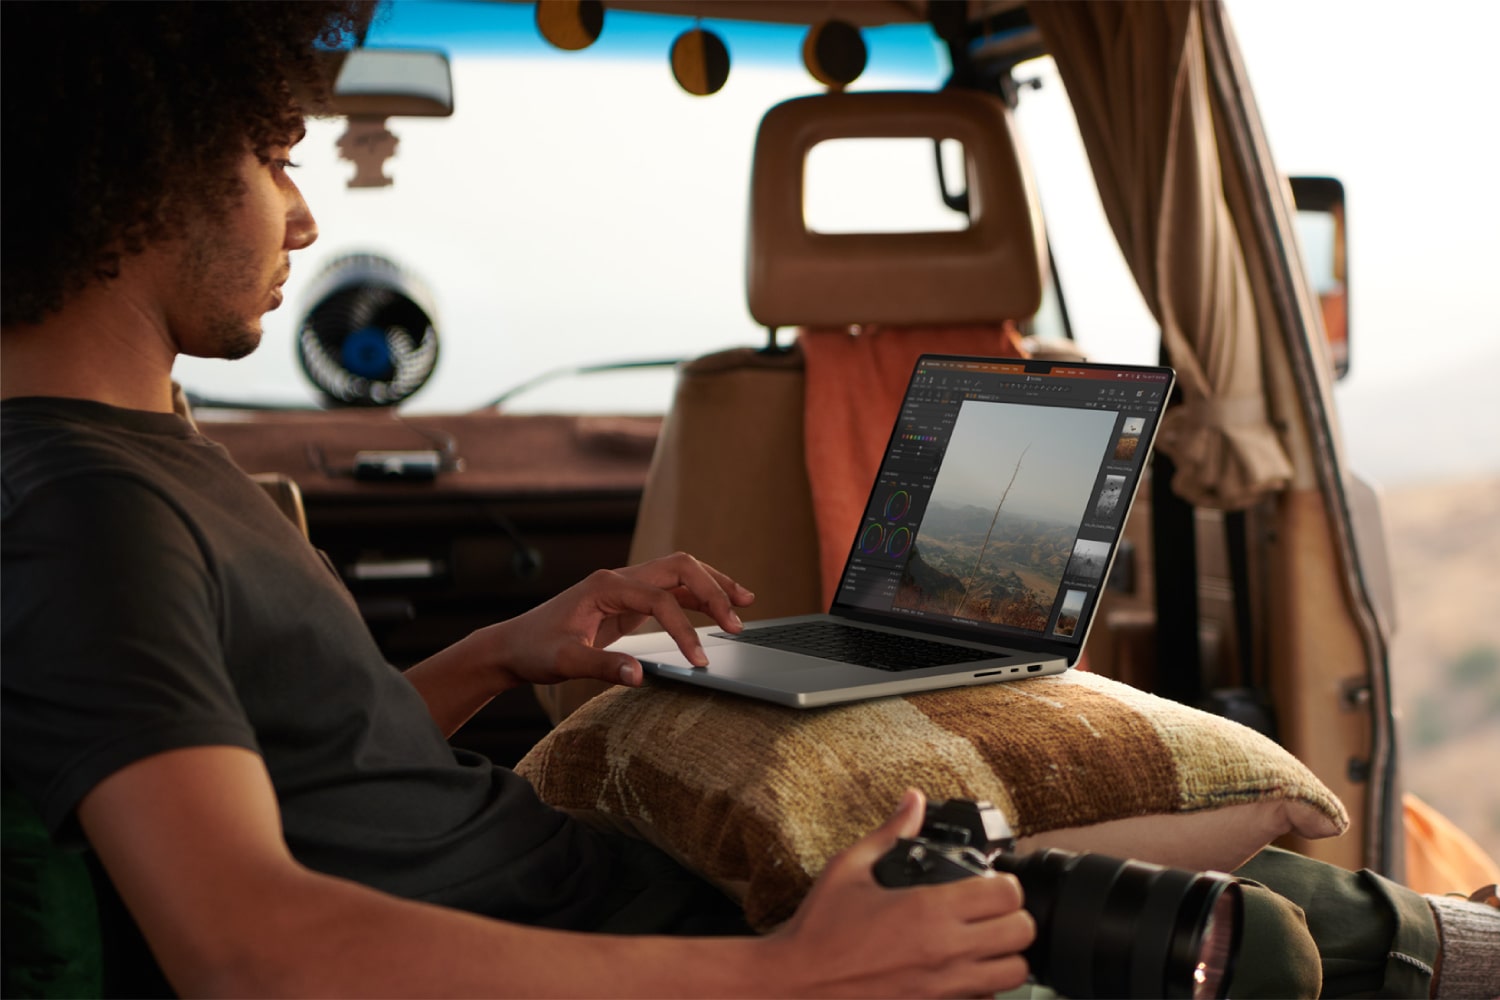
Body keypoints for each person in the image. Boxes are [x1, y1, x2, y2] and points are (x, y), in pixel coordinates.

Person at [2, 4, 1493, 999]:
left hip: (640, 908)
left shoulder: (142, 466)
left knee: (1264, 885)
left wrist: (500, 655)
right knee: (1263, 945)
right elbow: (248, 941)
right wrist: (784, 972)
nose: (308, 212)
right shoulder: (85, 512)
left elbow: (307, 774)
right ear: (141, 169)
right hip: (665, 948)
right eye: (274, 160)